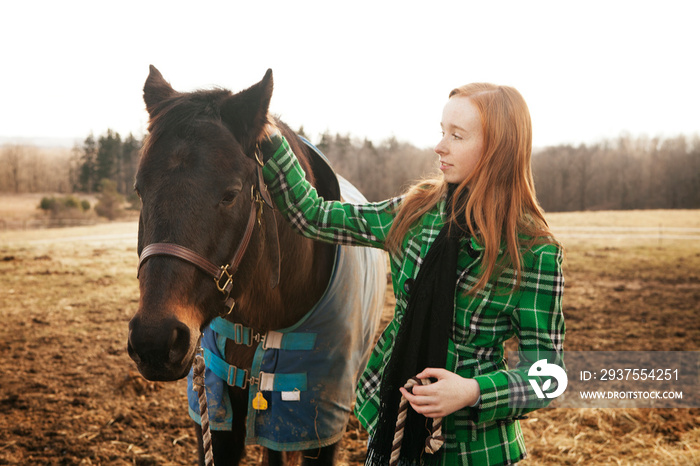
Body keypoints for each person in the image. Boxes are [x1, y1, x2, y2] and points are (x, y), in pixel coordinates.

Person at [258, 83, 565, 465]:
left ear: (497, 150)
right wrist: (270, 139)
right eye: (442, 131)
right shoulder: (416, 211)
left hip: (476, 451)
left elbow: (548, 375)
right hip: (393, 431)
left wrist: (472, 391)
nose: (440, 146)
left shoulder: (533, 250)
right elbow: (314, 216)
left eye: (457, 136)